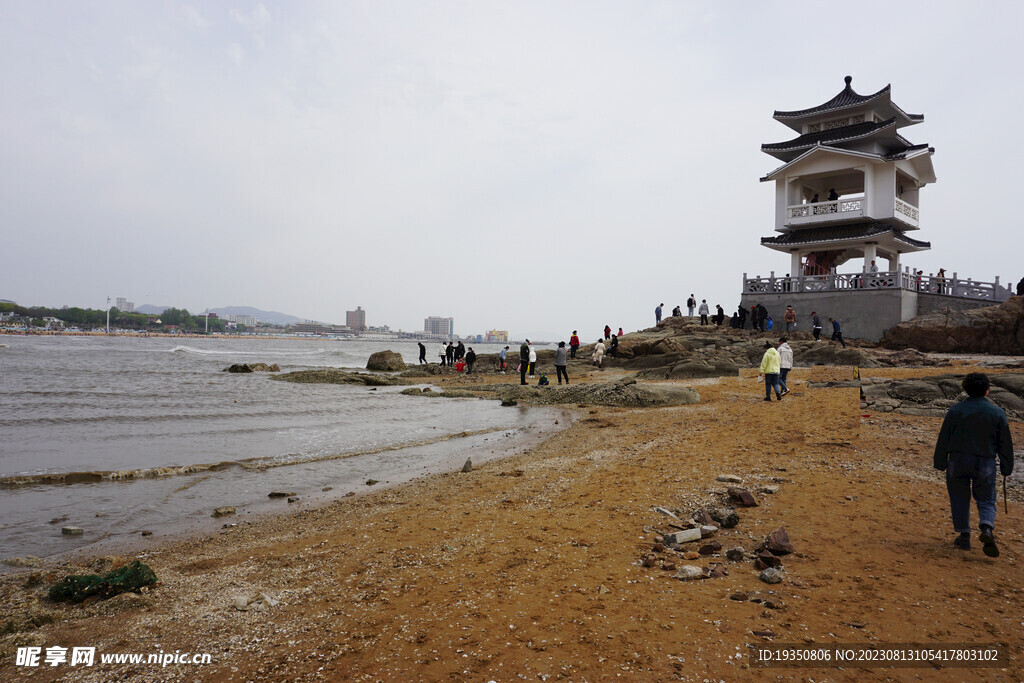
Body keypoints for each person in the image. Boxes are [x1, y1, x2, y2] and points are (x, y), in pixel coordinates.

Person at [933, 373, 1014, 556]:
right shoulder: (997, 413)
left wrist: (939, 461)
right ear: (987, 390)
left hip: (957, 460)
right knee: (986, 498)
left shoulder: (955, 410)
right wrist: (1006, 466)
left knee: (959, 497)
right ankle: (986, 527)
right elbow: (1005, 444)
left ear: (966, 390)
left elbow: (944, 437)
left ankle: (964, 535)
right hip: (985, 461)